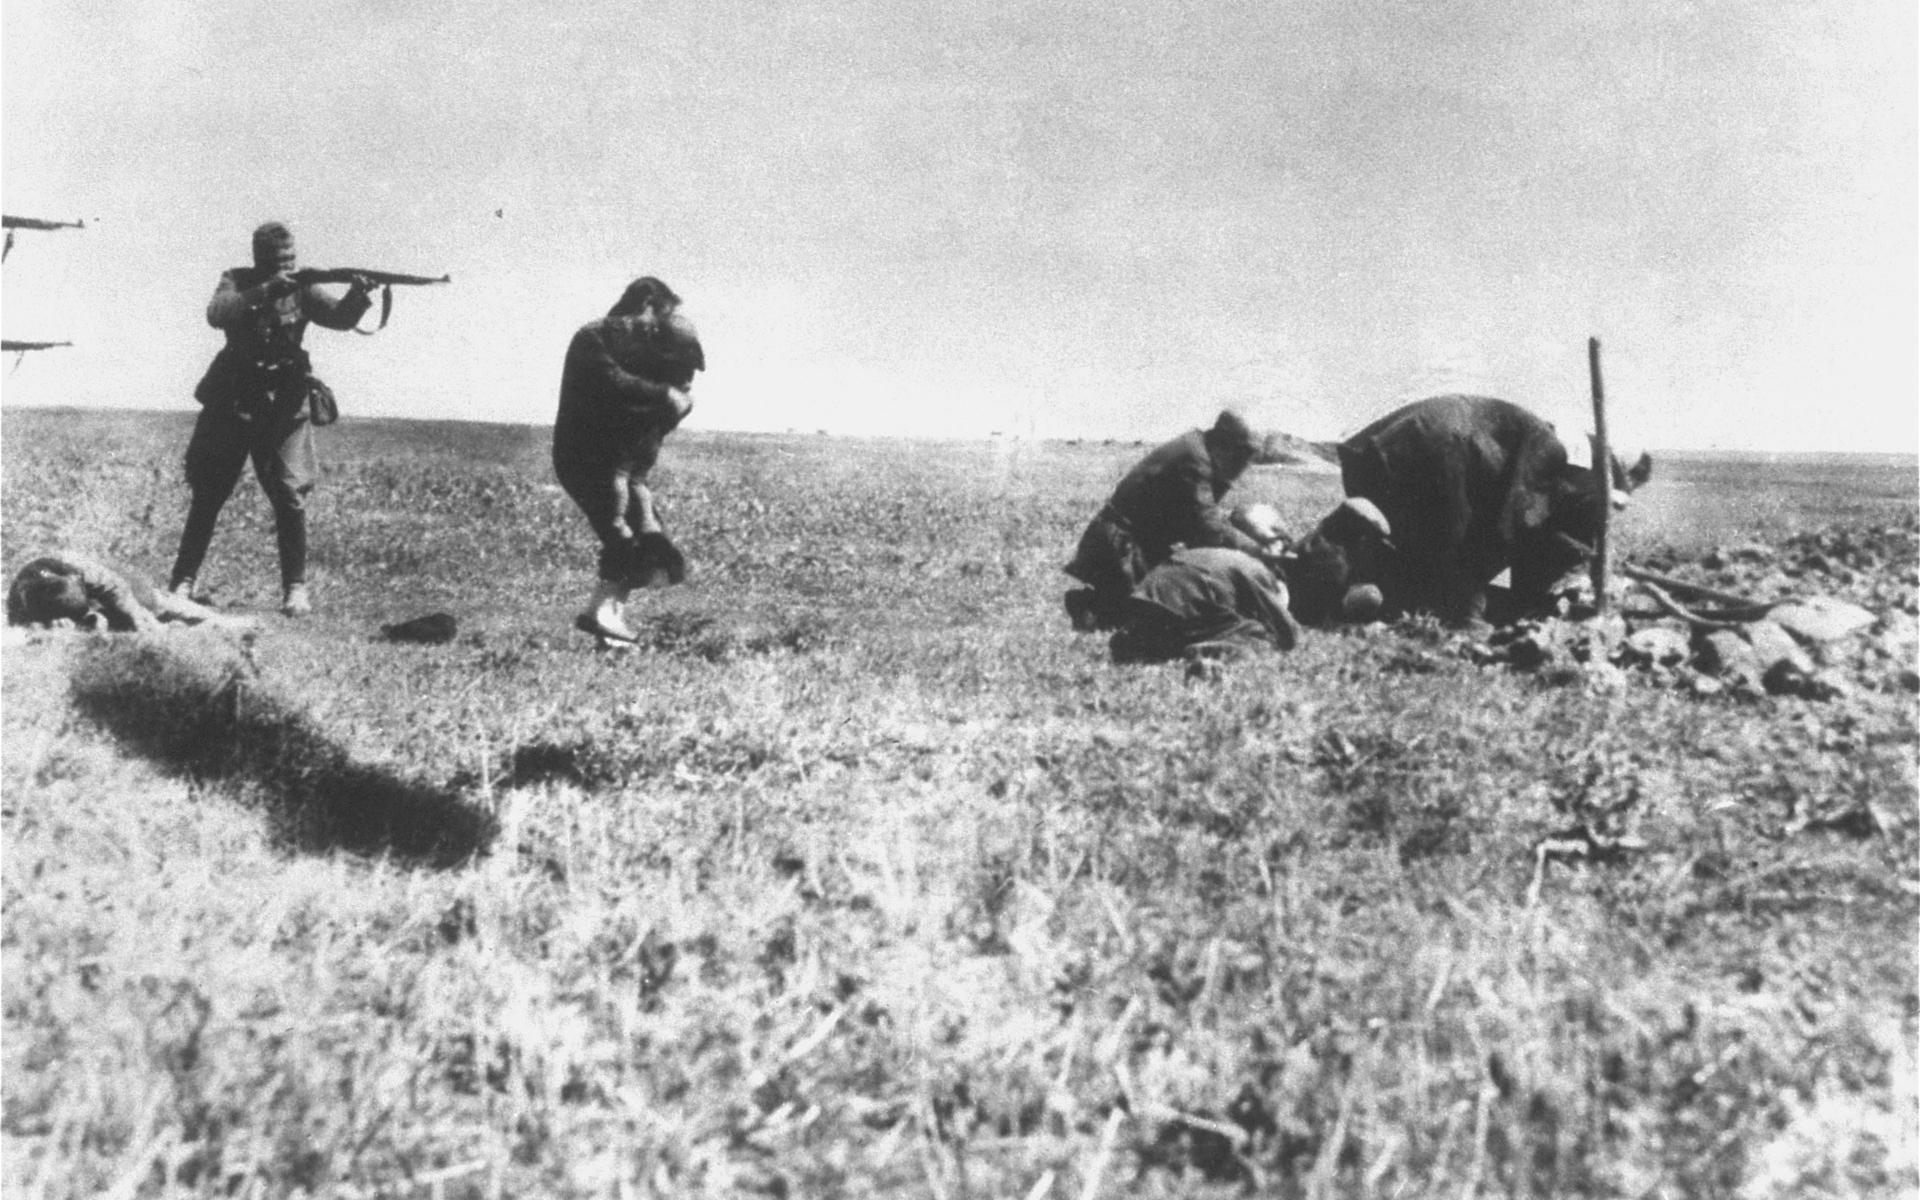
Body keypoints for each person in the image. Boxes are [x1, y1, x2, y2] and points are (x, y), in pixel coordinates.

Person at [168, 222, 376, 617]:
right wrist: (264, 291)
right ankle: (183, 582)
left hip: (283, 401)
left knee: (289, 495)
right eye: (280, 261)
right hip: (232, 397)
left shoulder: (305, 287)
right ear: (259, 260)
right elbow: (217, 313)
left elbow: (339, 317)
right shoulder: (237, 281)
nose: (287, 267)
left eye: (291, 259)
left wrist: (358, 295)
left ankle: (295, 589)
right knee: (209, 493)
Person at [554, 276, 704, 646]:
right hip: (589, 459)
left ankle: (609, 622)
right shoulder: (594, 338)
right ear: (648, 304)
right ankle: (603, 615)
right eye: (660, 316)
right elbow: (611, 383)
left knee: (650, 543)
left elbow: (660, 407)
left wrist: (671, 398)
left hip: (625, 466)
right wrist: (665, 395)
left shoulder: (638, 348)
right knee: (622, 536)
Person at [1064, 410, 1273, 631]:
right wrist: (1257, 551)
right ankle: (1092, 607)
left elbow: (1194, 524)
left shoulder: (1199, 451)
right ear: (1225, 445)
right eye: (1244, 454)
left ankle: (1101, 605)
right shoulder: (1195, 460)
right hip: (1121, 548)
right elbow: (1207, 527)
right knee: (1153, 619)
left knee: (1173, 605)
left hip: (1137, 543)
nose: (1244, 464)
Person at [1107, 545, 1301, 665]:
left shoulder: (1228, 557)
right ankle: (1208, 649)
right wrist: (1289, 639)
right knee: (1255, 632)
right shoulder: (1259, 573)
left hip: (1144, 596)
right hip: (1184, 603)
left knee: (1175, 629)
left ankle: (1137, 639)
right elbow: (1284, 627)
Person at [9, 552, 250, 632]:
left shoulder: (83, 571)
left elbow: (120, 592)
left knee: (154, 604)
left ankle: (220, 620)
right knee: (104, 626)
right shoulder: (21, 599)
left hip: (111, 585)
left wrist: (144, 622)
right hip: (61, 606)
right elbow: (18, 628)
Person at [1275, 497, 1394, 625]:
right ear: (1360, 535)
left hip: (1284, 597)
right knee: (1371, 595)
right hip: (1297, 612)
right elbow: (1321, 614)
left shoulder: (1316, 540)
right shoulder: (1335, 563)